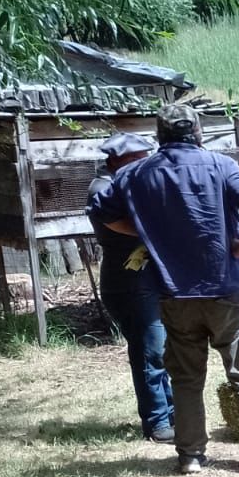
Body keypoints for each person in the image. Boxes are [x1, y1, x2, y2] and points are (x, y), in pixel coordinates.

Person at [88, 102, 239, 477]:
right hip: (224, 289)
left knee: (185, 377)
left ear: (159, 136)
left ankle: (191, 456)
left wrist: (147, 233)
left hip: (173, 293)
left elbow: (101, 210)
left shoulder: (137, 172)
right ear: (197, 132)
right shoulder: (220, 165)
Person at [86, 133, 175, 443]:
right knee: (150, 350)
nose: (144, 162)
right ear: (116, 160)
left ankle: (171, 414)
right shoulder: (103, 188)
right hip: (127, 282)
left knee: (159, 349)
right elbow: (129, 224)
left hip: (145, 278)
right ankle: (158, 422)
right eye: (137, 158)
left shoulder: (129, 181)